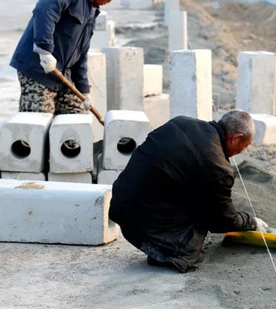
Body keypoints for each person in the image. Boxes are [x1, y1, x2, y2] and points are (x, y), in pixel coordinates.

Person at [109, 110, 267, 273]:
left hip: (120, 201)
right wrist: (250, 222)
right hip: (139, 215)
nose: (242, 151)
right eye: (245, 146)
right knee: (192, 240)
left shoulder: (181, 121)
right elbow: (221, 219)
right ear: (236, 138)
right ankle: (167, 252)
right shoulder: (218, 166)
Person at [10, 0, 125, 115]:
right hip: (38, 69)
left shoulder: (92, 11)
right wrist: (44, 50)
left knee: (76, 117)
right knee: (39, 119)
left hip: (63, 75)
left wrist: (84, 90)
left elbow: (81, 54)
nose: (110, 1)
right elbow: (45, 11)